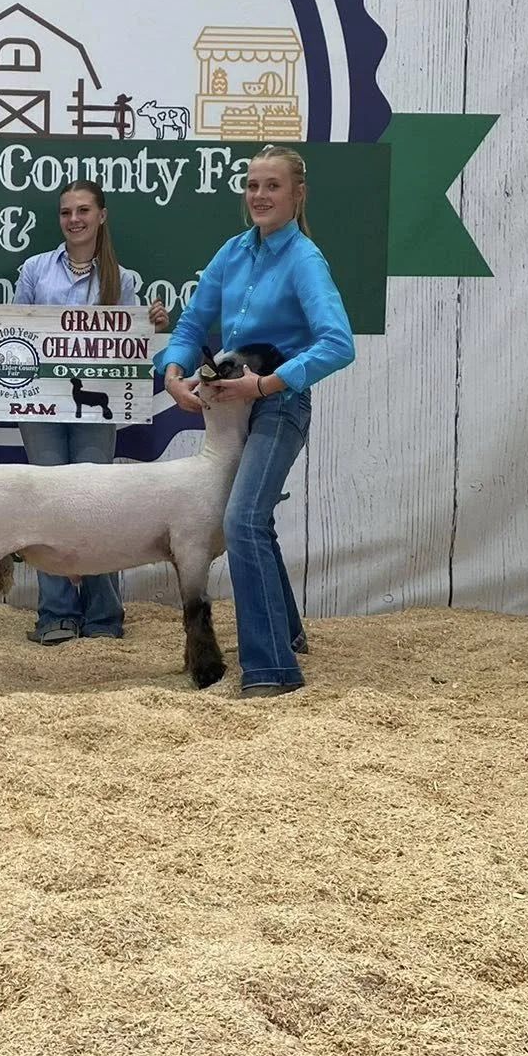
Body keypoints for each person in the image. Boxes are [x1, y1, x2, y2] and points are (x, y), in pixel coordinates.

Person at [154, 147, 354, 697]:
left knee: (240, 519)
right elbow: (193, 322)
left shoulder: (305, 259)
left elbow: (338, 344)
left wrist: (265, 385)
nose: (260, 195)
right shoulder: (234, 252)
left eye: (272, 186)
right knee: (251, 519)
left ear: (297, 194)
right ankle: (285, 632)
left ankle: (271, 670)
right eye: (251, 185)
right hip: (231, 408)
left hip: (277, 405)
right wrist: (172, 371)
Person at [0, 180, 169, 645]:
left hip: (98, 407)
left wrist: (153, 324)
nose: (73, 219)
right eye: (65, 212)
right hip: (39, 404)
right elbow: (13, 331)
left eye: (82, 210)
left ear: (102, 215)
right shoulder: (36, 269)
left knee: (100, 505)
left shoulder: (126, 279)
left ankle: (103, 615)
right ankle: (55, 614)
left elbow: (130, 349)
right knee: (45, 506)